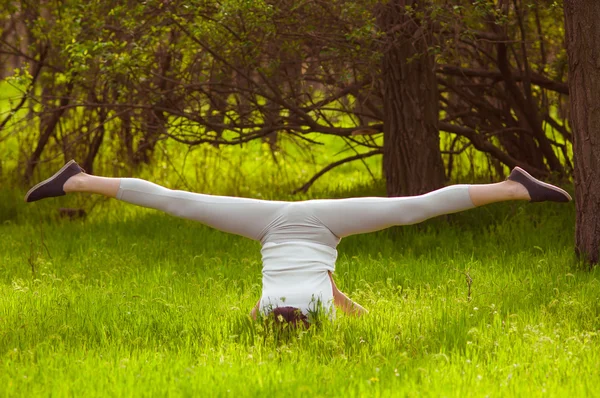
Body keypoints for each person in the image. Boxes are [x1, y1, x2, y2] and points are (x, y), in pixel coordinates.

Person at [25, 160, 572, 324]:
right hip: (278, 223)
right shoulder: (269, 310)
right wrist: (366, 320)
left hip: (302, 223)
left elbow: (333, 293)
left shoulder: (305, 311)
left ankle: (512, 188)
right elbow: (327, 293)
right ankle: (77, 180)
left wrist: (368, 319)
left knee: (414, 209)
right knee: (177, 200)